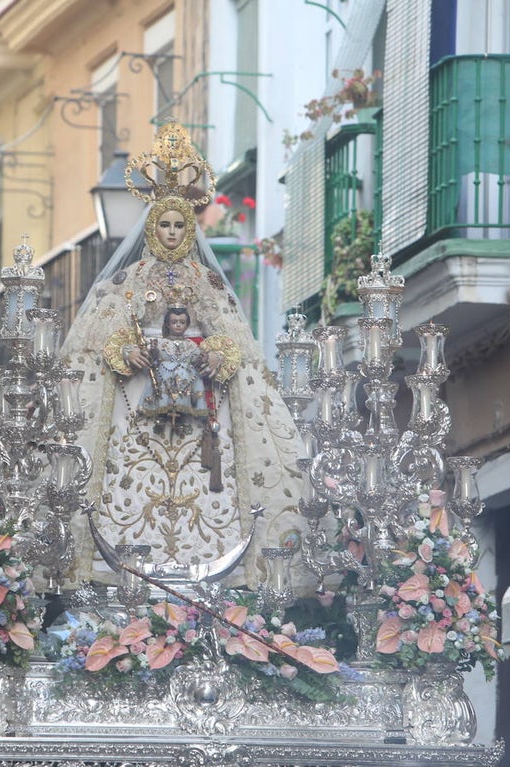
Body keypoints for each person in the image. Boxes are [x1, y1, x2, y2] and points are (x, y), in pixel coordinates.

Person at [61, 121, 309, 588]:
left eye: (180, 225)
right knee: (125, 483)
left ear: (190, 227)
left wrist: (217, 353)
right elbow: (98, 338)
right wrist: (124, 350)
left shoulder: (207, 282)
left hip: (200, 406)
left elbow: (232, 338)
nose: (173, 233)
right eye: (165, 225)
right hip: (136, 405)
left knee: (208, 485)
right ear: (152, 227)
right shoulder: (127, 281)